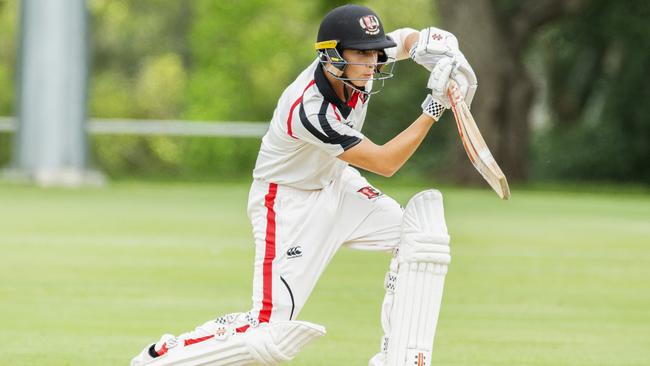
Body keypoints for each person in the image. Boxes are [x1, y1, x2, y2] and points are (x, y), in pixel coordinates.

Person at [131, 4, 477, 366]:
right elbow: (385, 162)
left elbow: (402, 41)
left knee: (420, 237)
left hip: (337, 183)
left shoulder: (359, 64)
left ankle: (399, 359)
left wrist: (432, 45)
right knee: (269, 334)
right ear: (331, 57)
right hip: (286, 203)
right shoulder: (310, 110)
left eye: (375, 52)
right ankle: (162, 357)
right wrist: (434, 106)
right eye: (362, 53)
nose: (373, 62)